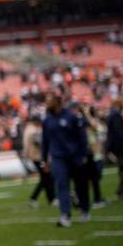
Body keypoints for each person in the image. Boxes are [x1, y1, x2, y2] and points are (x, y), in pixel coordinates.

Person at [42, 94, 90, 227]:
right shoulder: (47, 120)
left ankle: (84, 209)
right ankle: (65, 214)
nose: (47, 103)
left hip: (74, 156)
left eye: (49, 100)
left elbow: (81, 136)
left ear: (57, 101)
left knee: (80, 185)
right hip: (58, 158)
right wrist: (44, 159)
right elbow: (45, 141)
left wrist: (83, 154)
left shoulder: (71, 116)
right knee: (61, 185)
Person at [24, 116, 55, 207]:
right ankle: (48, 199)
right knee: (47, 178)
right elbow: (39, 143)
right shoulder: (33, 130)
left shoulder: (28, 129)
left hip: (34, 156)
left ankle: (48, 199)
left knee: (45, 178)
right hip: (38, 157)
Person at [106, 98, 123, 199]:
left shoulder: (111, 114)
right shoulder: (116, 115)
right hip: (120, 145)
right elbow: (119, 131)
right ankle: (121, 189)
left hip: (115, 145)